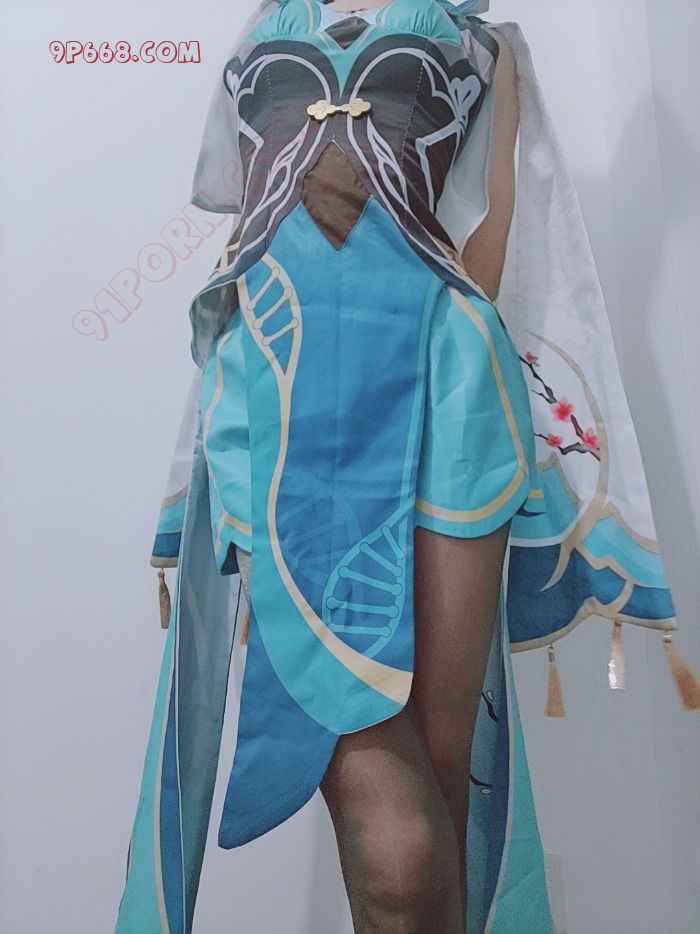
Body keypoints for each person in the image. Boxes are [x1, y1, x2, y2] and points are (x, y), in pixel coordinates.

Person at [115, 2, 698, 932]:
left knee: (442, 779)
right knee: (394, 827)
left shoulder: (482, 41)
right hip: (282, 405)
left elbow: (493, 232)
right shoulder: (264, 32)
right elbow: (244, 219)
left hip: (448, 399)